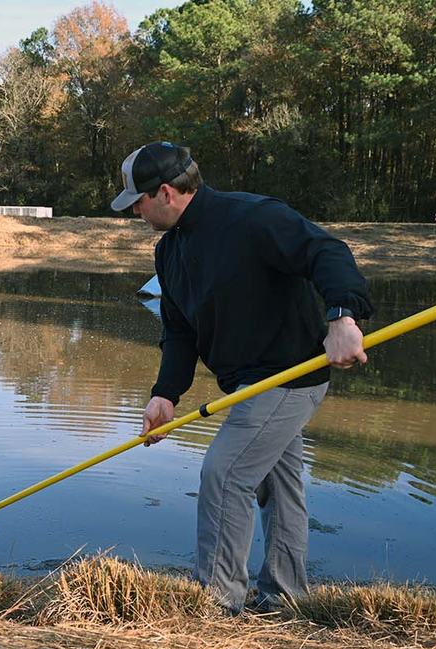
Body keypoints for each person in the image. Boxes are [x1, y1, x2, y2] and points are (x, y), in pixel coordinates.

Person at [111, 142, 373, 613]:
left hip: (288, 376)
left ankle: (216, 604)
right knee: (279, 486)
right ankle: (287, 596)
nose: (135, 212)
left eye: (138, 202)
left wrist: (342, 317)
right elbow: (178, 331)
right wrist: (164, 395)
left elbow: (326, 252)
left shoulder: (252, 218)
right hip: (247, 383)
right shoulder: (169, 251)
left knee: (225, 475)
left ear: (166, 192)